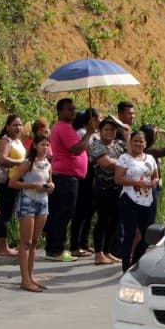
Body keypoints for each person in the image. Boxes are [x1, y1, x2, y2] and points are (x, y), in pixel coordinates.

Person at [46, 98, 97, 262]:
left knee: (62, 213)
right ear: (60, 111)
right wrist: (89, 133)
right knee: (63, 213)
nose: (73, 112)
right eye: (69, 109)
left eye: (74, 109)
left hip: (68, 177)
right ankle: (56, 249)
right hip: (65, 177)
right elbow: (75, 150)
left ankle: (54, 247)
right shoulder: (64, 128)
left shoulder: (65, 127)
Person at [8, 134, 53, 292]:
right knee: (25, 242)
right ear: (34, 145)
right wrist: (34, 185)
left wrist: (50, 186)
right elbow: (13, 182)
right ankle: (25, 279)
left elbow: (49, 181)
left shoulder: (47, 163)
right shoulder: (28, 163)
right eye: (42, 144)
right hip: (28, 201)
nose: (45, 148)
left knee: (34, 242)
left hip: (43, 203)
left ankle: (31, 276)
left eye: (47, 145)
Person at [114, 130, 160, 272]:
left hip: (148, 198)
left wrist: (153, 182)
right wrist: (135, 182)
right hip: (130, 198)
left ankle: (135, 262)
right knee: (130, 233)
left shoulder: (150, 158)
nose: (138, 143)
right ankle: (126, 266)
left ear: (145, 143)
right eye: (135, 141)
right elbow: (118, 178)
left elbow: (156, 176)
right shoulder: (124, 158)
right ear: (130, 142)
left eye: (141, 141)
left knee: (147, 234)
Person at [88, 115, 127, 265]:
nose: (109, 132)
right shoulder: (97, 145)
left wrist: (126, 133)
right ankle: (98, 253)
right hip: (103, 188)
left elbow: (131, 153)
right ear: (101, 130)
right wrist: (124, 162)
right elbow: (106, 163)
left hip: (119, 187)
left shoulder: (119, 144)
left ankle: (107, 251)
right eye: (106, 129)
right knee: (103, 220)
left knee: (116, 221)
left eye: (112, 129)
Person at [70, 107, 101, 258]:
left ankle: (84, 242)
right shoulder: (82, 133)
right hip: (86, 173)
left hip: (95, 173)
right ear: (91, 119)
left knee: (90, 211)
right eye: (98, 118)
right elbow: (88, 150)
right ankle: (75, 244)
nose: (100, 121)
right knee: (81, 211)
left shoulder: (96, 135)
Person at [0, 115, 27, 257]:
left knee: (8, 213)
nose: (18, 127)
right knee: (5, 214)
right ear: (7, 126)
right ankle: (2, 247)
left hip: (15, 179)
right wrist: (20, 163)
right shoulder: (6, 140)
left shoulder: (17, 141)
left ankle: (4, 246)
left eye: (20, 125)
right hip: (6, 181)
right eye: (15, 125)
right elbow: (2, 159)